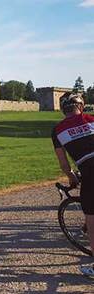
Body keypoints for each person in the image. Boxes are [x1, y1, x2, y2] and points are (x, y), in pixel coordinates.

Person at [51, 91, 94, 276]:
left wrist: (71, 177)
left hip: (90, 171)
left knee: (91, 217)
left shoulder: (58, 130)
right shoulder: (92, 119)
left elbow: (64, 164)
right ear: (81, 106)